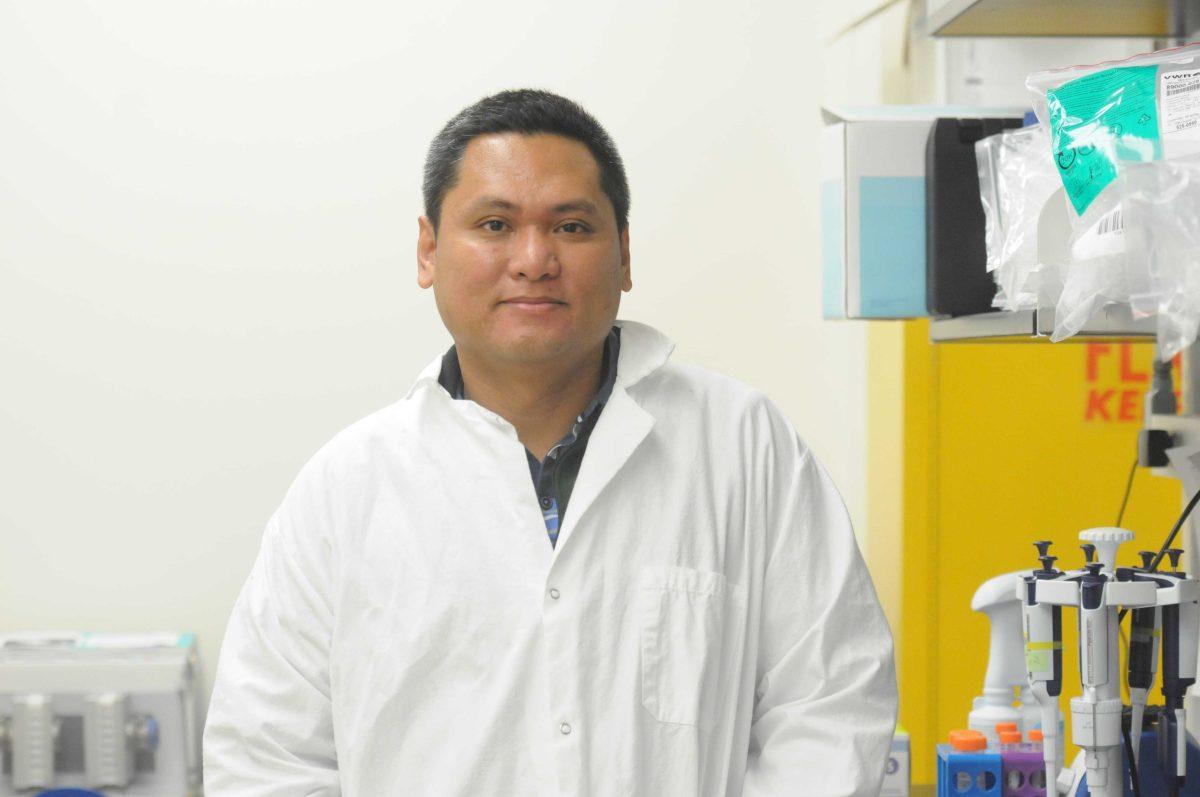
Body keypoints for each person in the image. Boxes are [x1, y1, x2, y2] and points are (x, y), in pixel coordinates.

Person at [203, 88, 897, 796]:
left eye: (570, 227)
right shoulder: (346, 489)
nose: (534, 259)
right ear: (428, 251)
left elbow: (832, 701)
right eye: (495, 223)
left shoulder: (745, 446)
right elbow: (267, 757)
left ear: (624, 254)